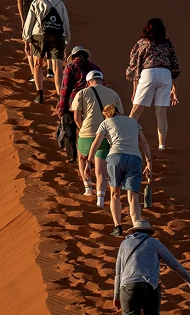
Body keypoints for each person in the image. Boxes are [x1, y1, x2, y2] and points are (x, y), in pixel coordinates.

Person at [88, 104, 152, 236]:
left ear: (106, 113)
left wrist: (89, 161)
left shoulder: (106, 122)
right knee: (133, 196)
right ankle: (136, 227)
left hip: (115, 157)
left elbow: (96, 142)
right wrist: (149, 162)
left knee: (114, 193)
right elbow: (144, 142)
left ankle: (118, 227)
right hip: (135, 158)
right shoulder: (133, 122)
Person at [125, 18, 180, 150]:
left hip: (148, 74)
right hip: (165, 74)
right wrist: (175, 89)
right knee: (161, 113)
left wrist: (134, 90)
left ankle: (125, 138)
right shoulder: (167, 43)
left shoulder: (141, 43)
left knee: (136, 110)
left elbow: (135, 67)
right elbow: (175, 66)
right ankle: (162, 145)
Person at [71, 70, 124, 198]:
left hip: (87, 133)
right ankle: (100, 197)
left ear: (88, 82)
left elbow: (77, 117)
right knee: (101, 168)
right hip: (107, 135)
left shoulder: (82, 93)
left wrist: (82, 129)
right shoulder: (113, 94)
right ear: (102, 81)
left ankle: (88, 188)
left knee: (82, 158)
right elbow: (120, 116)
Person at [21, 0, 69, 104]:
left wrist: (26, 40)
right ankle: (60, 97)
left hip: (39, 36)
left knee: (38, 64)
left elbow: (29, 22)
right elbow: (65, 22)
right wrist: (66, 41)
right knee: (58, 68)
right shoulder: (59, 3)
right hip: (58, 37)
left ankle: (39, 94)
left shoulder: (36, 2)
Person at [15, 0, 58, 81]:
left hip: (29, 13)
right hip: (47, 10)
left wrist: (22, 19)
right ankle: (50, 69)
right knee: (49, 38)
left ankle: (34, 73)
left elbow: (19, 1)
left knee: (29, 42)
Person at [57, 46, 99, 116]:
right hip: (93, 102)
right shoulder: (95, 67)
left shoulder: (70, 67)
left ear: (73, 57)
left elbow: (65, 88)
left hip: (74, 103)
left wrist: (62, 107)